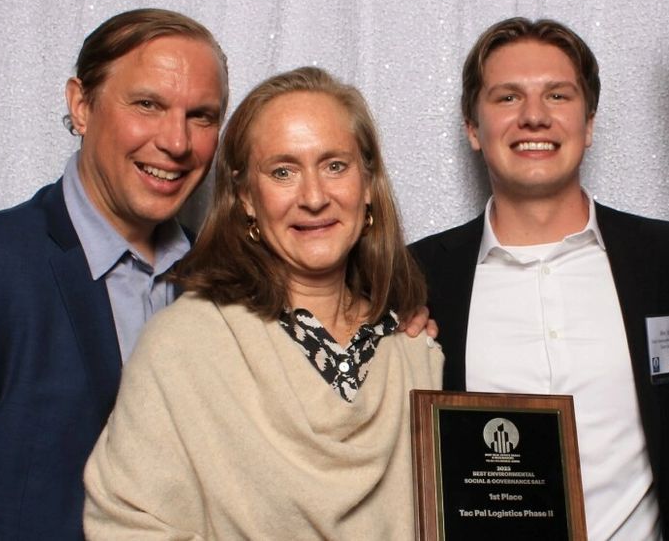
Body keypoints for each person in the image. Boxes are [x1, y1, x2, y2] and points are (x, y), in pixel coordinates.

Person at [0, 8, 228, 538]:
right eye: (147, 104)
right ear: (82, 105)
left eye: (201, 116)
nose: (176, 140)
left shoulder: (222, 287)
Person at [83, 66, 443, 538]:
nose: (314, 197)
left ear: (368, 186)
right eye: (283, 172)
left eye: (335, 165)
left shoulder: (413, 352)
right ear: (247, 197)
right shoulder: (185, 346)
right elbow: (127, 528)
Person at [410, 17, 669, 540]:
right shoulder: (416, 278)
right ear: (473, 129)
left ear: (589, 124)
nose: (533, 117)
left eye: (558, 96)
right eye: (507, 98)